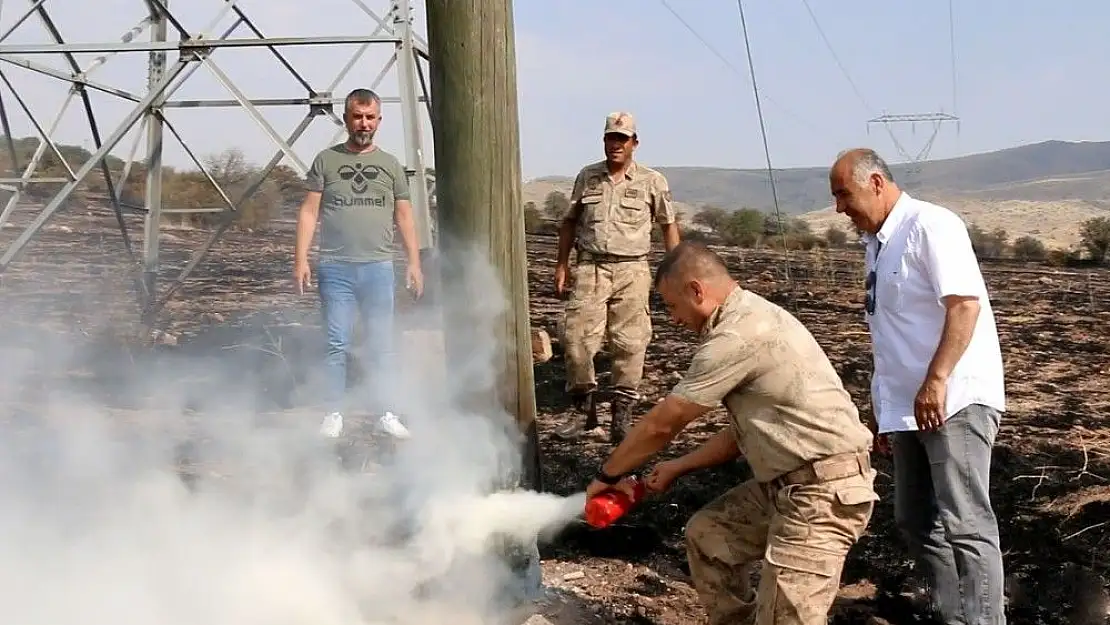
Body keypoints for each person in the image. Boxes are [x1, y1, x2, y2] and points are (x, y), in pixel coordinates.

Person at [584, 241, 878, 625]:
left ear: (696, 290)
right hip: (785, 486)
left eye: (672, 306)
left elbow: (663, 424)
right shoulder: (746, 318)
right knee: (709, 536)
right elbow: (746, 431)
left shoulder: (737, 336)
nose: (673, 319)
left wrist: (606, 477)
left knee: (786, 618)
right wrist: (679, 466)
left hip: (821, 493)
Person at [829, 148, 1007, 625]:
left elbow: (964, 306)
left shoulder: (932, 225)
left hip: (954, 399)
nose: (840, 208)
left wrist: (937, 379)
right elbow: (891, 332)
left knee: (966, 522)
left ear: (877, 184)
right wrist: (883, 409)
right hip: (908, 406)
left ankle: (985, 620)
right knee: (913, 518)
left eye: (844, 194)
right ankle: (955, 616)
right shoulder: (877, 243)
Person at [294, 88, 424, 439]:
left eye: (370, 117)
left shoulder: (391, 165)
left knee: (382, 345)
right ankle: (333, 412)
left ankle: (386, 412)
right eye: (357, 116)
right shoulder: (326, 161)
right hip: (335, 267)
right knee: (337, 342)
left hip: (378, 267)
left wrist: (414, 263)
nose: (363, 123)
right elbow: (309, 211)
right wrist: (301, 259)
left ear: (379, 121)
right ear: (347, 118)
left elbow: (405, 217)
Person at [553, 111, 681, 444]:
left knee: (630, 342)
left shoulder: (652, 181)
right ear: (604, 140)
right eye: (611, 138)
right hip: (591, 267)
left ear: (634, 143)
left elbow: (668, 225)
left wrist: (675, 268)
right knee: (576, 338)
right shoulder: (588, 177)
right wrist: (561, 265)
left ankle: (621, 415)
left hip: (633, 270)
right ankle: (584, 410)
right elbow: (569, 222)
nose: (616, 145)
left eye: (622, 139)